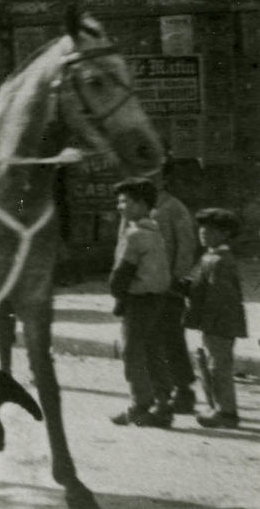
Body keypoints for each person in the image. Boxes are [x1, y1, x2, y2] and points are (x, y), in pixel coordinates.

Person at [109, 177, 173, 428]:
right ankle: (163, 403)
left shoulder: (134, 235)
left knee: (132, 353)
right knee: (153, 350)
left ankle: (140, 406)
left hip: (137, 301)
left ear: (141, 204)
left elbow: (121, 276)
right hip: (157, 300)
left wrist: (118, 295)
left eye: (125, 202)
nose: (120, 207)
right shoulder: (155, 230)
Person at [183, 208, 249, 429]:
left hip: (219, 323)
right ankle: (217, 408)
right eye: (201, 228)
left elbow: (221, 298)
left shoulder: (220, 260)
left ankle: (226, 412)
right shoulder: (211, 257)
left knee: (218, 367)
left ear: (225, 234)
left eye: (210, 230)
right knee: (212, 365)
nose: (203, 233)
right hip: (213, 322)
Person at [149, 167, 199, 414]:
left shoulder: (173, 207)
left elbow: (186, 246)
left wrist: (177, 278)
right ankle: (160, 392)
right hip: (144, 286)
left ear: (165, 179)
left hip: (167, 286)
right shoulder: (139, 206)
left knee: (171, 339)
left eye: (154, 175)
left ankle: (184, 391)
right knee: (151, 341)